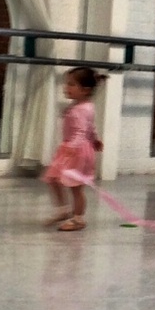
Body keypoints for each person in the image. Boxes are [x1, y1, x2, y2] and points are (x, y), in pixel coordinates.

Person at [42, 67, 105, 232]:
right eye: (66, 84)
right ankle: (63, 210)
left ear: (85, 90)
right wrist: (95, 139)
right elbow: (90, 127)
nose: (66, 87)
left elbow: (81, 131)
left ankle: (78, 219)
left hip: (77, 151)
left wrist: (72, 148)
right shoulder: (83, 106)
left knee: (75, 187)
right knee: (53, 178)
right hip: (70, 148)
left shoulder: (82, 109)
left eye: (71, 84)